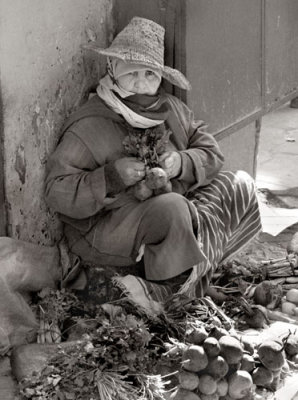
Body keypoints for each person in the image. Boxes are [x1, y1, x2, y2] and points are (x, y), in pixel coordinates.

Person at [45, 17, 262, 300]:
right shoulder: (88, 124)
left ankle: (187, 276)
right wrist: (110, 177)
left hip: (169, 215)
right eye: (131, 73)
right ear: (112, 71)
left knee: (239, 184)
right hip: (110, 228)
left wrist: (181, 162)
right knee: (173, 208)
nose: (140, 83)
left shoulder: (171, 108)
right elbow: (55, 190)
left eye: (149, 74)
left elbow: (211, 153)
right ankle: (169, 292)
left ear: (160, 77)